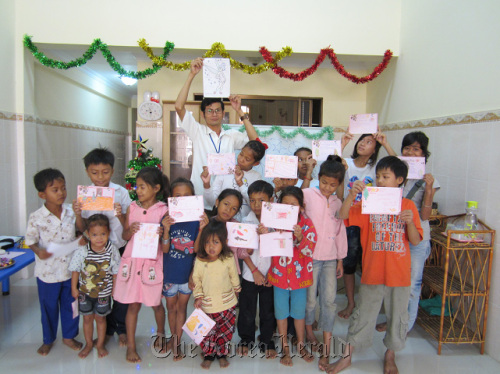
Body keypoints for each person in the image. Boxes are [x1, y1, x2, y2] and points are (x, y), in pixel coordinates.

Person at [328, 156, 422, 374]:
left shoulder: (408, 206)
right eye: (378, 176)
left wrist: (409, 223)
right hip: (372, 271)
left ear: (399, 180)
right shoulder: (368, 203)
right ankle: (347, 356)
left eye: (385, 176)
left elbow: (416, 240)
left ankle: (390, 354)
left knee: (397, 315)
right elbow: (342, 216)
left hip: (399, 274)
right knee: (363, 313)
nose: (380, 180)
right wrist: (351, 195)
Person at [376, 131, 440, 333]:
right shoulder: (396, 174)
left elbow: (426, 215)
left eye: (416, 148)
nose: (411, 152)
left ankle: (403, 328)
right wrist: (386, 144)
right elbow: (396, 162)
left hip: (417, 239)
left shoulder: (429, 179)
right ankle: (393, 321)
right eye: (407, 147)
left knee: (412, 287)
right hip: (395, 235)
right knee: (393, 283)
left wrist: (429, 189)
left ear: (423, 153)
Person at [175, 57, 259, 203]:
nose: (214, 114)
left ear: (223, 113)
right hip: (200, 195)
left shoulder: (231, 136)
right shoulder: (197, 131)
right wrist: (191, 75)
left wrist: (239, 111)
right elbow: (178, 107)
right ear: (203, 114)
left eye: (217, 111)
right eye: (209, 111)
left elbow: (254, 141)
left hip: (226, 199)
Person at [74, 147, 132, 347]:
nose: (100, 177)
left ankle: (121, 328)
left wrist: (120, 214)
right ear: (87, 172)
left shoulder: (121, 193)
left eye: (105, 172)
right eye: (94, 172)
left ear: (112, 170)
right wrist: (77, 214)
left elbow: (128, 226)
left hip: (119, 248)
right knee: (101, 292)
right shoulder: (86, 195)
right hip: (95, 253)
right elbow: (82, 228)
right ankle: (106, 330)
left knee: (122, 292)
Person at [113, 167, 170, 363]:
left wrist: (164, 233)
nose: (138, 190)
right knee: (132, 306)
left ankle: (161, 335)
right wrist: (131, 229)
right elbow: (125, 236)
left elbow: (165, 244)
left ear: (156, 188)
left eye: (143, 187)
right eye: (137, 186)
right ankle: (131, 346)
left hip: (152, 263)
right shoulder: (133, 208)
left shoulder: (163, 210)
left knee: (156, 304)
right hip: (134, 260)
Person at [337, 132, 396, 319]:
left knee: (371, 261)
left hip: (373, 219)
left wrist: (385, 143)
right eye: (361, 140)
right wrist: (342, 143)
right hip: (350, 218)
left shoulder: (377, 167)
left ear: (375, 148)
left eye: (369, 142)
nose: (362, 143)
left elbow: (398, 167)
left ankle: (370, 303)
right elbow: (332, 173)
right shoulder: (346, 162)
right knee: (349, 262)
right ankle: (351, 302)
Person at [25, 168, 83, 356]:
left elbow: (80, 232)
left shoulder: (70, 212)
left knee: (72, 305)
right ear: (42, 194)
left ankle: (69, 336)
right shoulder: (36, 217)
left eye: (63, 188)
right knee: (48, 307)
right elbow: (30, 240)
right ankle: (48, 339)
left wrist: (79, 216)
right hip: (47, 273)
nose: (61, 193)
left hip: (70, 271)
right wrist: (38, 251)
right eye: (55, 190)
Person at [303, 156, 348, 370]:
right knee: (310, 300)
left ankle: (327, 348)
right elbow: (294, 208)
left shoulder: (339, 203)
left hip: (330, 259)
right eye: (324, 182)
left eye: (333, 184)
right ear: (318, 179)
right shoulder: (308, 195)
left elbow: (340, 233)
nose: (328, 188)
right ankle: (310, 332)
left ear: (339, 184)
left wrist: (340, 259)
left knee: (329, 301)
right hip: (309, 257)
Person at [266, 186, 317, 367]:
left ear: (301, 206)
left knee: (298, 313)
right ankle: (285, 348)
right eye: (285, 204)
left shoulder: (307, 223)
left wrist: (300, 237)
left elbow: (309, 250)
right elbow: (267, 244)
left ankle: (301, 345)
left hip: (300, 278)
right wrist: (264, 233)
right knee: (281, 313)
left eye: (293, 205)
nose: (288, 208)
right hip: (279, 278)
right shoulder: (274, 222)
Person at [161, 178, 205, 360]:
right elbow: (164, 249)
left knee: (181, 307)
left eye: (187, 195)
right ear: (171, 198)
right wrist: (165, 229)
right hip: (169, 274)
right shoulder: (167, 218)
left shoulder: (196, 220)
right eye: (178, 196)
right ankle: (173, 338)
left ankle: (177, 343)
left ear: (194, 197)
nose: (183, 199)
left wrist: (202, 229)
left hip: (187, 276)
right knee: (170, 308)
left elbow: (195, 249)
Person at [69, 214, 121, 358]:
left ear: (109, 233)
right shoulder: (82, 251)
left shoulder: (112, 250)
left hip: (103, 294)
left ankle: (100, 344)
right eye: (95, 234)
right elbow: (75, 270)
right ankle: (89, 344)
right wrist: (74, 288)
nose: (99, 238)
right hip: (85, 293)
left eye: (103, 234)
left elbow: (116, 272)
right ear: (88, 234)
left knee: (101, 318)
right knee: (87, 319)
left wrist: (114, 290)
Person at [192, 220, 241, 369]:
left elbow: (234, 276)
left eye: (215, 242)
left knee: (225, 332)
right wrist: (198, 296)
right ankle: (208, 355)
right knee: (207, 332)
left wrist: (237, 292)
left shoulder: (228, 258)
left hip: (227, 304)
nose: (211, 246)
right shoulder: (200, 260)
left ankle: (222, 354)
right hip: (207, 305)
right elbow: (196, 280)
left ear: (224, 242)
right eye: (207, 242)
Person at [237, 180, 277, 359]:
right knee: (247, 310)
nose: (256, 205)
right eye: (252, 200)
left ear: (271, 199)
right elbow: (242, 252)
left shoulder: (277, 223)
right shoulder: (246, 222)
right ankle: (246, 339)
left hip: (271, 275)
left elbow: (280, 251)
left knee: (268, 310)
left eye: (261, 200)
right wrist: (254, 271)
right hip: (250, 275)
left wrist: (268, 236)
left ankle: (267, 340)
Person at [202, 140, 266, 221]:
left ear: (256, 163)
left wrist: (240, 183)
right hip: (222, 221)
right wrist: (206, 184)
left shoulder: (256, 177)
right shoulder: (226, 170)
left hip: (245, 224)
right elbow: (212, 202)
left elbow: (254, 203)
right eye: (241, 154)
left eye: (247, 159)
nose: (241, 160)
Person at [195, 188, 250, 274]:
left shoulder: (237, 227)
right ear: (217, 202)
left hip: (229, 275)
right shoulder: (207, 224)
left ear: (236, 212)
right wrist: (201, 230)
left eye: (234, 208)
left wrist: (250, 247)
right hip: (208, 273)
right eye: (226, 204)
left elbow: (240, 253)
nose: (228, 210)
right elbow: (198, 250)